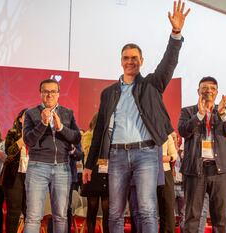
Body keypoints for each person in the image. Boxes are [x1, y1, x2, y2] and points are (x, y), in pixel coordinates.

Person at [82, 1, 190, 232]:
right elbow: (100, 130)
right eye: (126, 57)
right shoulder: (109, 93)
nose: (130, 61)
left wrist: (176, 34)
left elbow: (168, 63)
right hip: (117, 155)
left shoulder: (152, 84)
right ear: (121, 61)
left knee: (147, 210)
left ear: (141, 61)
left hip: (147, 154)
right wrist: (90, 164)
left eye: (134, 58)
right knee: (114, 212)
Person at [178, 76, 226, 233]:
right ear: (198, 91)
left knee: (220, 217)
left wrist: (223, 113)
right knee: (192, 216)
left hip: (219, 171)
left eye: (212, 88)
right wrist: (199, 114)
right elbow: (183, 131)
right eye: (205, 88)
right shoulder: (188, 111)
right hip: (195, 170)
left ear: (217, 92)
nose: (208, 91)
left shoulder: (222, 110)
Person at [23, 78, 81, 233]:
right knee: (33, 216)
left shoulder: (67, 113)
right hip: (37, 167)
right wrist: (42, 124)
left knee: (61, 216)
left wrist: (61, 127)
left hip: (62, 168)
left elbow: (77, 137)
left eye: (53, 91)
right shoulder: (31, 113)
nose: (49, 95)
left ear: (58, 94)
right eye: (46, 91)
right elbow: (28, 140)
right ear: (40, 93)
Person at [80, 113, 109, 233]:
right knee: (92, 206)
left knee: (107, 207)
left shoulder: (109, 136)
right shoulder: (87, 135)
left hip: (107, 173)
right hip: (92, 172)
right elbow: (88, 152)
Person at [2, 108, 28, 233]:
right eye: (26, 116)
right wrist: (21, 141)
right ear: (20, 119)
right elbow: (8, 152)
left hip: (33, 175)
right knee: (14, 209)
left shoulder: (39, 134)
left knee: (30, 210)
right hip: (15, 174)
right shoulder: (12, 133)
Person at [157, 133, 178, 233]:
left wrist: (168, 158)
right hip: (146, 172)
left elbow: (174, 154)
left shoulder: (167, 134)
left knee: (168, 207)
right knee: (147, 209)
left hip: (165, 171)